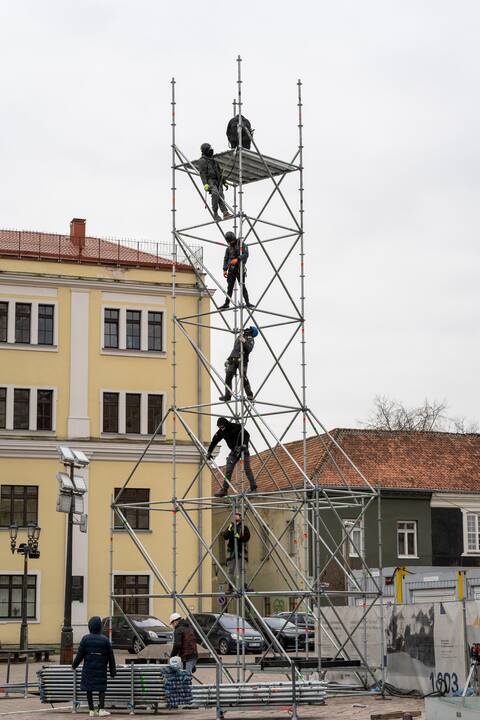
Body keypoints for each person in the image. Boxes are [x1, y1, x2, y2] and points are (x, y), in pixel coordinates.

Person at [72, 616, 116, 718]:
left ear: (89, 627)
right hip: (101, 669)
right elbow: (111, 657)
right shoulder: (105, 640)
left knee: (89, 689)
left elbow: (79, 655)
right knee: (101, 689)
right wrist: (112, 672)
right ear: (100, 627)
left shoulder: (85, 639)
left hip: (88, 669)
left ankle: (91, 710)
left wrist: (74, 666)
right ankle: (101, 709)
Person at [207, 416, 257, 497]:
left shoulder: (236, 427)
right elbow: (214, 441)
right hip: (234, 452)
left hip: (243, 451)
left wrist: (244, 444)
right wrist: (209, 452)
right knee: (228, 470)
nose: (221, 428)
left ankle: (253, 487)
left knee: (247, 469)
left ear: (225, 424)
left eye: (222, 426)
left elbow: (247, 435)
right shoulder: (221, 432)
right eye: (219, 427)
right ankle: (224, 489)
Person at [219, 326, 258, 402]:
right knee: (228, 377)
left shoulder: (250, 339)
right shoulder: (239, 337)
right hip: (233, 359)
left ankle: (250, 395)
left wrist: (244, 341)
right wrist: (228, 359)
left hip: (242, 359)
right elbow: (235, 349)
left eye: (249, 329)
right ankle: (228, 395)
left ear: (252, 332)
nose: (247, 329)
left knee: (243, 377)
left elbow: (249, 349)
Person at [197, 143, 233, 222]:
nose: (211, 150)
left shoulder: (214, 161)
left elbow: (219, 173)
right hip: (210, 181)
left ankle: (225, 213)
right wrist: (205, 184)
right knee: (215, 194)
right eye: (209, 149)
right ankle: (215, 213)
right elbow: (202, 173)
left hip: (218, 181)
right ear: (205, 150)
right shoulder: (202, 161)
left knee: (221, 196)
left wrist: (224, 182)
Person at [219, 231, 253, 310]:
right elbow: (226, 259)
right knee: (229, 287)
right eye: (229, 242)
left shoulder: (241, 245)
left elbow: (246, 254)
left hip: (239, 268)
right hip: (231, 269)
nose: (231, 243)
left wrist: (237, 259)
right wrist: (224, 269)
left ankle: (247, 303)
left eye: (232, 241)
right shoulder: (228, 249)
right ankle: (226, 304)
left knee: (242, 286)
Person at [223, 511, 251, 592]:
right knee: (231, 569)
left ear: (240, 517)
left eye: (237, 516)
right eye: (234, 516)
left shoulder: (243, 527)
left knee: (242, 569)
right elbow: (225, 536)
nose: (235, 517)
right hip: (232, 551)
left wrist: (238, 537)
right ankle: (230, 586)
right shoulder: (231, 526)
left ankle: (244, 585)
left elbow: (246, 537)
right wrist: (230, 528)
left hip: (240, 550)